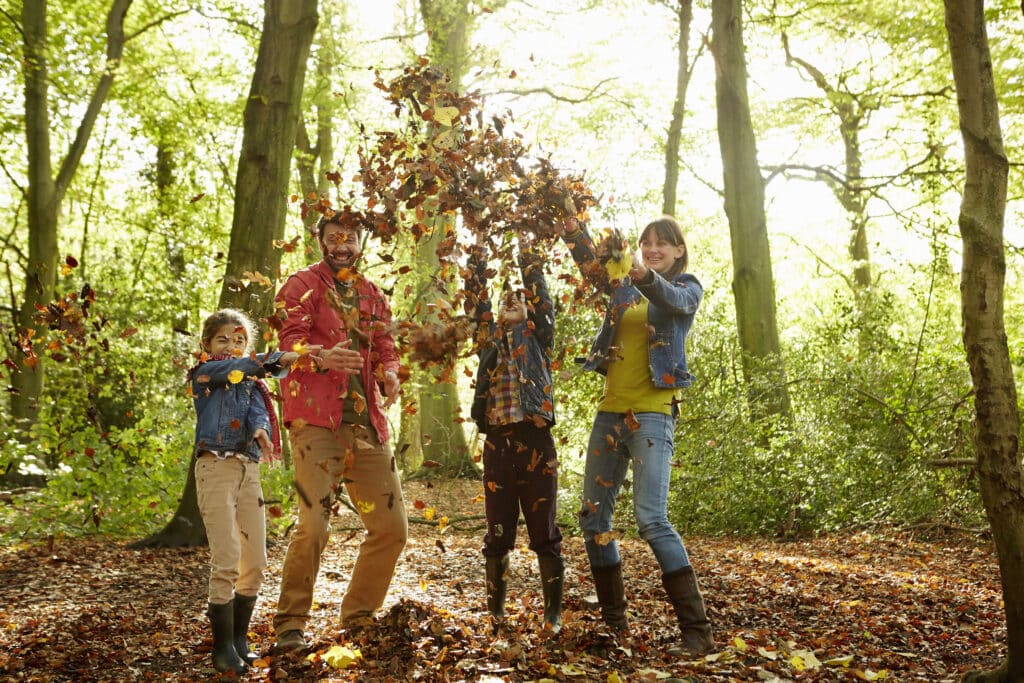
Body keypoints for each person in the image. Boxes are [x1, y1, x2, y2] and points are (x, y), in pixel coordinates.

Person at [555, 215, 715, 656]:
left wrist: (644, 276)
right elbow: (591, 262)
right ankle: (614, 625)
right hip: (610, 414)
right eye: (646, 243)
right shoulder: (622, 287)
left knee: (651, 519)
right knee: (593, 520)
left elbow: (674, 300)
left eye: (663, 244)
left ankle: (697, 632)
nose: (653, 248)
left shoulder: (687, 286)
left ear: (679, 250)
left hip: (652, 414)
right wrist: (570, 224)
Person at [272, 212, 407, 653]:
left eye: (350, 238)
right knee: (314, 523)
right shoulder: (300, 285)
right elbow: (286, 347)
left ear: (359, 242)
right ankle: (290, 623)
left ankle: (359, 616)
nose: (342, 245)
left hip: (367, 423)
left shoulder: (372, 294)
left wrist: (390, 373)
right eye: (333, 238)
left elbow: (386, 347)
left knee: (391, 527)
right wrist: (320, 356)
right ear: (322, 242)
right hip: (316, 420)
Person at [190, 308, 299, 673]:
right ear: (207, 345)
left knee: (254, 560)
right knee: (227, 558)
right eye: (223, 339)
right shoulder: (205, 374)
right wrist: (274, 359)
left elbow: (258, 412)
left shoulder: (252, 383)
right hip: (215, 468)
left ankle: (238, 639)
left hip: (247, 469)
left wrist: (261, 431)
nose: (232, 346)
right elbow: (233, 371)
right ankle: (221, 648)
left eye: (239, 341)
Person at [464, 238, 563, 634]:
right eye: (505, 299)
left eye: (519, 299)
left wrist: (527, 251)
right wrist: (478, 256)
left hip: (536, 441)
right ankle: (496, 613)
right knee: (498, 529)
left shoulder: (539, 338)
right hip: (499, 445)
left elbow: (542, 301)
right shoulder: (487, 342)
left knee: (544, 531)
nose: (511, 301)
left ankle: (552, 615)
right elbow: (476, 307)